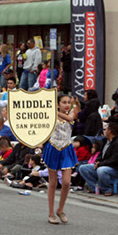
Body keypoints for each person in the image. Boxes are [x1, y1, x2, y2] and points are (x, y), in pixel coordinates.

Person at [42, 94, 79, 224]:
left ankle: (60, 209)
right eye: (64, 102)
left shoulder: (70, 113)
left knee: (67, 182)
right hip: (53, 147)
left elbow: (70, 117)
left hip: (67, 148)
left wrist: (54, 110)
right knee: (52, 183)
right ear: (58, 104)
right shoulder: (51, 114)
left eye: (68, 102)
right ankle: (51, 213)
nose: (67, 105)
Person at [78, 123, 118, 196]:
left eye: (106, 129)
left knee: (101, 170)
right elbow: (100, 154)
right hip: (103, 164)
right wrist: (97, 162)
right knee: (83, 168)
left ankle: (107, 189)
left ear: (110, 131)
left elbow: (114, 160)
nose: (104, 131)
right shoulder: (105, 141)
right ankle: (95, 187)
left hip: (115, 168)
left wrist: (100, 164)